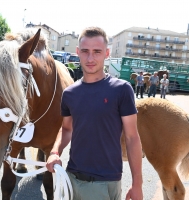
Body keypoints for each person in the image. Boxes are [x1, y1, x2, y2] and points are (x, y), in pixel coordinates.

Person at [46, 27, 143, 200]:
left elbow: (132, 138)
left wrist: (137, 184)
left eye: (97, 52)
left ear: (106, 53)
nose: (90, 58)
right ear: (78, 52)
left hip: (104, 183)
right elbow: (67, 129)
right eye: (85, 51)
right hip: (70, 180)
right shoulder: (69, 93)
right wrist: (55, 152)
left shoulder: (121, 89)